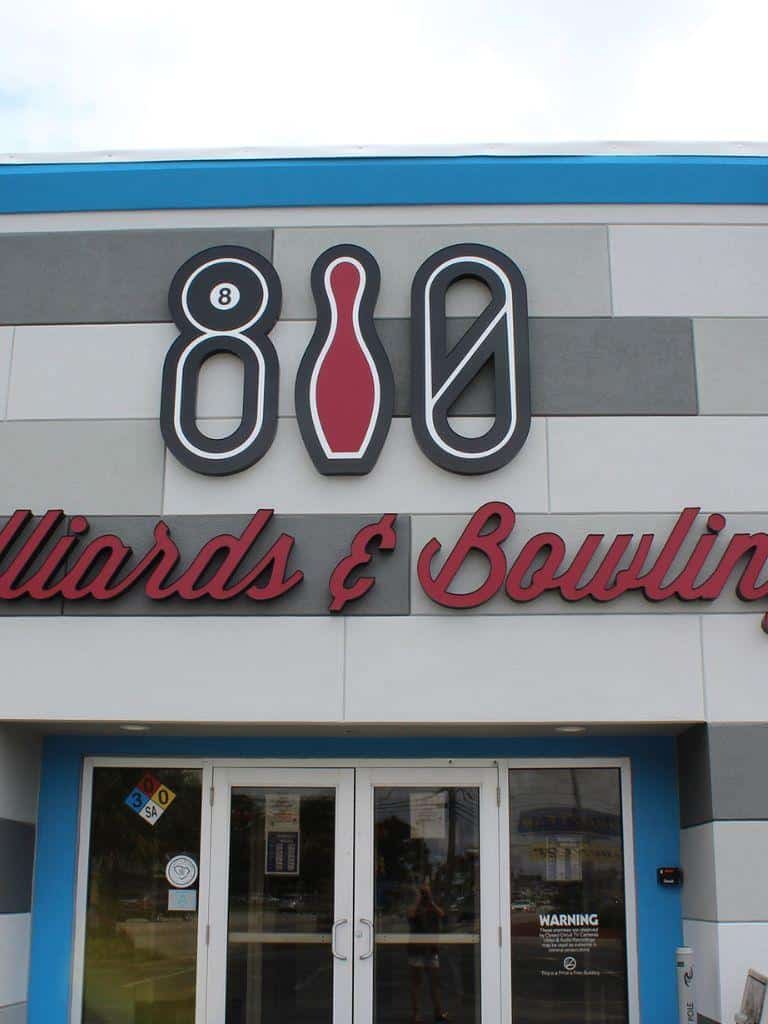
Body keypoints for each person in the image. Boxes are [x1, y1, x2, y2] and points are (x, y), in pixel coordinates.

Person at [407, 881, 448, 1023]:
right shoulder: (415, 905)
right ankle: (416, 1014)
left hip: (431, 948)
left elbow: (442, 914)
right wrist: (418, 898)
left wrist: (430, 899)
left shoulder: (432, 904)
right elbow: (411, 914)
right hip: (416, 948)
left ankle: (438, 1012)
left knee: (434, 983)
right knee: (416, 983)